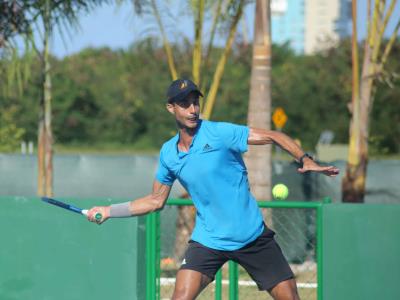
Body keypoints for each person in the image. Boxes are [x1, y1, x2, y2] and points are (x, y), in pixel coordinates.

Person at [87, 79, 339, 300]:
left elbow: (272, 136)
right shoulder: (169, 153)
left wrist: (305, 159)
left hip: (251, 236)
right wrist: (109, 210)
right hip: (209, 240)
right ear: (171, 108)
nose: (193, 109)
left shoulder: (220, 133)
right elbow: (155, 201)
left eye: (195, 102)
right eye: (185, 104)